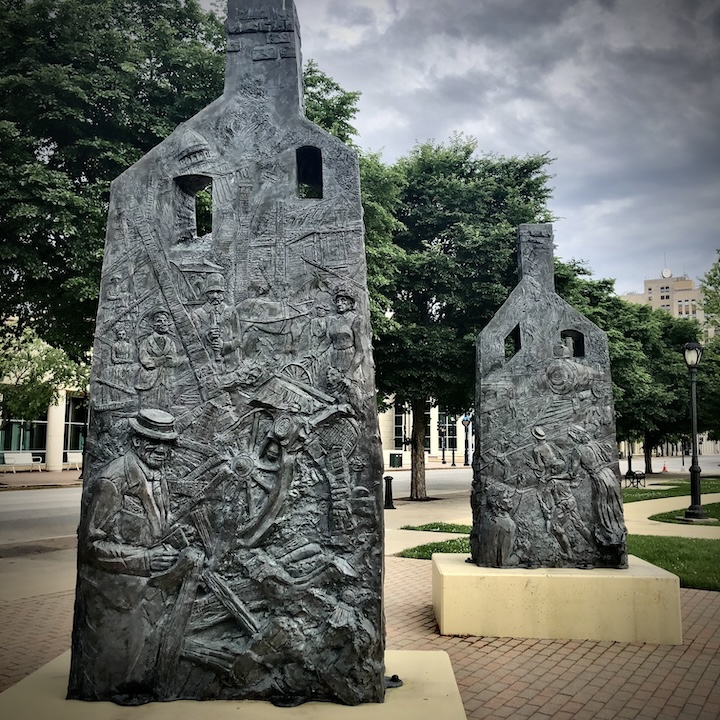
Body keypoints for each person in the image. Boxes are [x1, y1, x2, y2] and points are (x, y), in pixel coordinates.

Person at [69, 409, 202, 702]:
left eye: (166, 444)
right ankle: (118, 688)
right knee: (119, 671)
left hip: (145, 589)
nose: (160, 449)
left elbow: (155, 527)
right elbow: (91, 546)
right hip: (115, 594)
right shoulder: (112, 480)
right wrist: (145, 559)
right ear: (135, 441)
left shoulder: (157, 475)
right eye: (151, 441)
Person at [191, 272, 242, 371]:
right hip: (208, 364)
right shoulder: (197, 313)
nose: (215, 296)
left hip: (231, 363)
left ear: (223, 294)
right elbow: (195, 341)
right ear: (206, 294)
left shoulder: (231, 311)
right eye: (211, 293)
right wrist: (208, 336)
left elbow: (238, 339)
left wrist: (224, 345)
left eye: (218, 292)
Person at [135, 310, 179, 408]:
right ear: (153, 325)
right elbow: (145, 360)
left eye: (165, 321)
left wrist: (167, 360)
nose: (163, 323)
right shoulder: (146, 342)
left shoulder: (171, 342)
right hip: (149, 379)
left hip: (166, 379)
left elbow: (174, 360)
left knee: (165, 406)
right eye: (159, 321)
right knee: (147, 406)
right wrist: (162, 359)